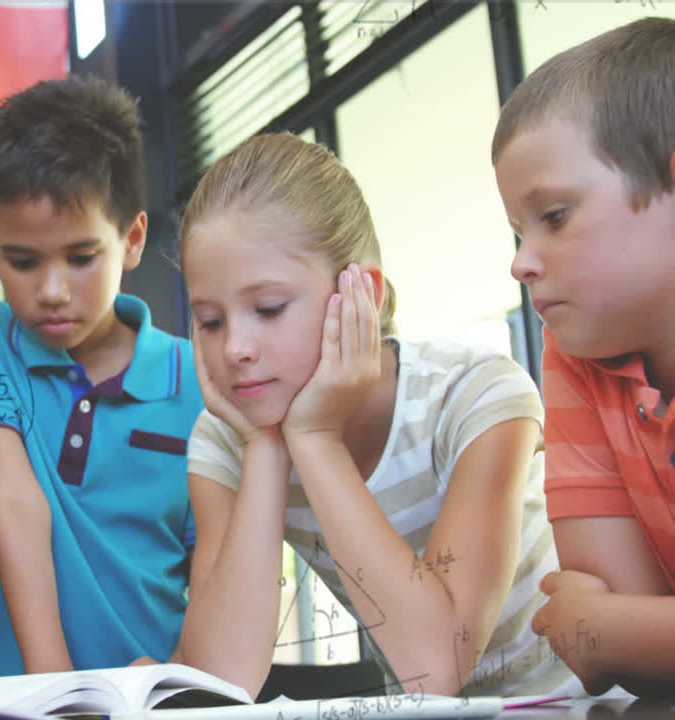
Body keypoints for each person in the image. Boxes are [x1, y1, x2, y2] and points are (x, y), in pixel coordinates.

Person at [174, 132, 578, 698]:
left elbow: (438, 667)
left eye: (267, 309)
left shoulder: (475, 395)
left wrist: (315, 439)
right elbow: (222, 679)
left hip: (586, 705)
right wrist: (266, 451)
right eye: (210, 320)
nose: (235, 347)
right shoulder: (228, 440)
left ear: (359, 293)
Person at [0, 75, 203, 676]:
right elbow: (10, 496)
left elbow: (216, 563)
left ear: (132, 240)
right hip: (24, 700)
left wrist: (185, 673)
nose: (52, 292)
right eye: (22, 261)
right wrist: (57, 691)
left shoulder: (196, 377)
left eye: (82, 258)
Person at [493, 17, 675, 698]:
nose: (520, 262)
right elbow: (598, 646)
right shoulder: (576, 352)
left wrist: (614, 626)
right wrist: (618, 629)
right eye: (515, 230)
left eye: (556, 217)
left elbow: (602, 625)